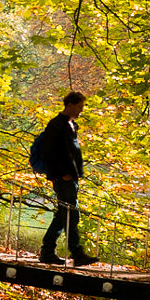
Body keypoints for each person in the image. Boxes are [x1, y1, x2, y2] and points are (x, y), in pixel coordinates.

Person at [36, 92, 96, 266]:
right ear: (70, 105)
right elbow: (50, 153)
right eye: (79, 107)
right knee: (71, 214)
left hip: (72, 178)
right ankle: (77, 253)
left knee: (63, 215)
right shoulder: (56, 125)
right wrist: (62, 173)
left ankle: (47, 251)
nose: (81, 111)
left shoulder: (71, 125)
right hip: (63, 178)